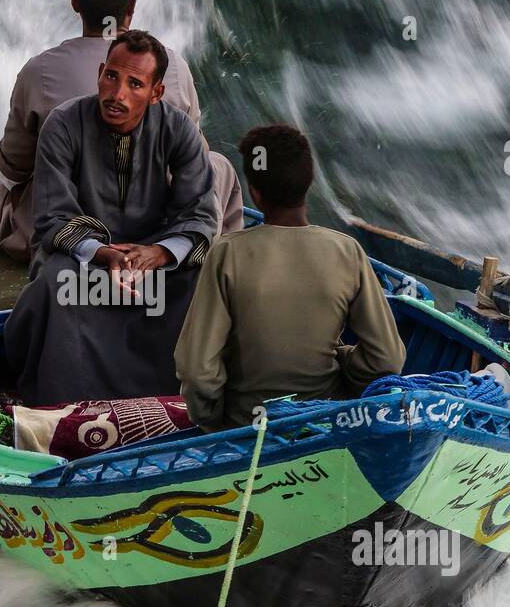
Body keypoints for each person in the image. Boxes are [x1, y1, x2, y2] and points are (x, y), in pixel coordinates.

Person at [0, 0, 242, 260]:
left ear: (75, 4)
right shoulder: (171, 65)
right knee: (219, 165)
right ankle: (218, 261)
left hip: (63, 235)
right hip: (159, 232)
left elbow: (13, 166)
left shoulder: (39, 71)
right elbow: (196, 159)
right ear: (131, 7)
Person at [4, 30, 216, 404]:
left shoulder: (179, 129)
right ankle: (64, 410)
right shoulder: (63, 123)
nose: (117, 94)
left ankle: (181, 402)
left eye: (135, 84)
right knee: (55, 282)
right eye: (112, 76)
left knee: (202, 281)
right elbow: (52, 219)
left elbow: (199, 212)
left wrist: (159, 254)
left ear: (156, 94)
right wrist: (106, 255)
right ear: (100, 72)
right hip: (84, 266)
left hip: (154, 270)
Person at [174, 123, 406, 432]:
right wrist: (344, 360)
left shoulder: (227, 253)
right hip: (323, 422)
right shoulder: (347, 251)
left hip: (247, 425)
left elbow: (197, 370)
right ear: (308, 181)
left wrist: (214, 422)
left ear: (254, 193)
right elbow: (387, 359)